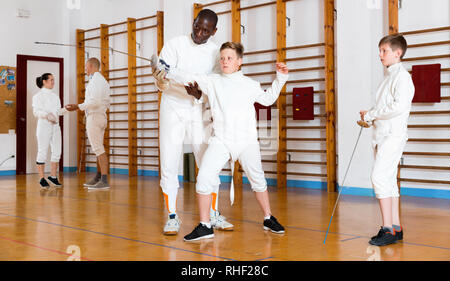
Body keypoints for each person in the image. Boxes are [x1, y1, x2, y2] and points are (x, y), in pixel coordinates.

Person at [160, 42, 289, 241]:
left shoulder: (250, 84)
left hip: (247, 142)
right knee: (203, 179)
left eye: (229, 58)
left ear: (239, 62)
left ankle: (268, 217)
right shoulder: (213, 81)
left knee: (258, 181)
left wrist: (281, 77)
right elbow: (189, 77)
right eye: (222, 58)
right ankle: (205, 225)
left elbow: (268, 99)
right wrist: (168, 70)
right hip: (221, 141)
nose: (224, 61)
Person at [153, 9, 233, 235]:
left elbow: (216, 86)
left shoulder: (217, 52)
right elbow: (161, 80)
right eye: (197, 27)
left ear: (214, 31)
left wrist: (200, 95)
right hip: (172, 107)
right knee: (169, 160)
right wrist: (161, 80)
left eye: (205, 30)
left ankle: (213, 213)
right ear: (194, 22)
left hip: (199, 110)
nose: (199, 33)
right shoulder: (174, 44)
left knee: (208, 161)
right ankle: (171, 216)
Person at [360, 33, 414, 246]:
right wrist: (369, 114)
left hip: (393, 136)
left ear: (397, 53)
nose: (380, 55)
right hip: (382, 136)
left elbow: (398, 107)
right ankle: (396, 227)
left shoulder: (403, 77)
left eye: (385, 51)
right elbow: (384, 108)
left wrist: (373, 114)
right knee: (389, 181)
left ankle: (387, 229)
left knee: (379, 178)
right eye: (380, 51)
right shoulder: (388, 78)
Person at [66, 57, 111, 190]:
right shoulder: (100, 80)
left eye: (86, 66)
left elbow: (95, 102)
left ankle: (104, 180)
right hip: (100, 116)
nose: (85, 69)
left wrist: (78, 106)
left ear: (91, 66)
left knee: (98, 149)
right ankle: (98, 176)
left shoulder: (96, 81)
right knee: (98, 148)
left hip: (95, 118)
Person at [32, 73, 67, 189]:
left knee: (57, 151)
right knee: (42, 151)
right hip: (44, 126)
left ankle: (53, 176)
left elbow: (58, 111)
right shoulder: (38, 96)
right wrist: (47, 115)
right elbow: (36, 112)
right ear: (44, 82)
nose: (53, 82)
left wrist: (65, 109)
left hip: (56, 126)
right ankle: (42, 178)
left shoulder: (55, 96)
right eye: (51, 80)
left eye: (53, 80)